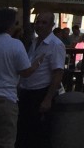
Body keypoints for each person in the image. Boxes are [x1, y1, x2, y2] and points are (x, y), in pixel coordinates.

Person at [0, 8, 44, 148]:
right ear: (10, 24)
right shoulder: (15, 45)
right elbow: (26, 72)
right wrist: (37, 63)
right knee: (6, 141)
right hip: (6, 98)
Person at [18, 11, 65, 148]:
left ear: (52, 25)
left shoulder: (56, 44)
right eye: (38, 21)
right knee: (24, 132)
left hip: (41, 93)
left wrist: (48, 99)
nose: (39, 25)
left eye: (44, 22)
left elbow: (58, 72)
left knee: (39, 134)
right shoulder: (33, 42)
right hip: (26, 91)